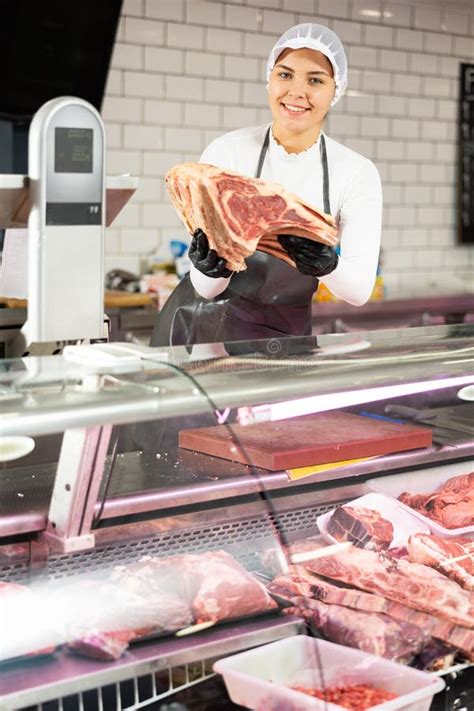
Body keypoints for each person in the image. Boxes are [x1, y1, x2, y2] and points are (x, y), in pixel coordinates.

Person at [151, 23, 382, 348]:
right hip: (205, 334)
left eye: (315, 80)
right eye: (285, 75)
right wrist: (210, 267)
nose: (296, 92)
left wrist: (327, 265)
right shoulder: (227, 152)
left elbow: (358, 292)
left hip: (288, 338)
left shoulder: (356, 172)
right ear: (269, 80)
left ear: (335, 90)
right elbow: (205, 289)